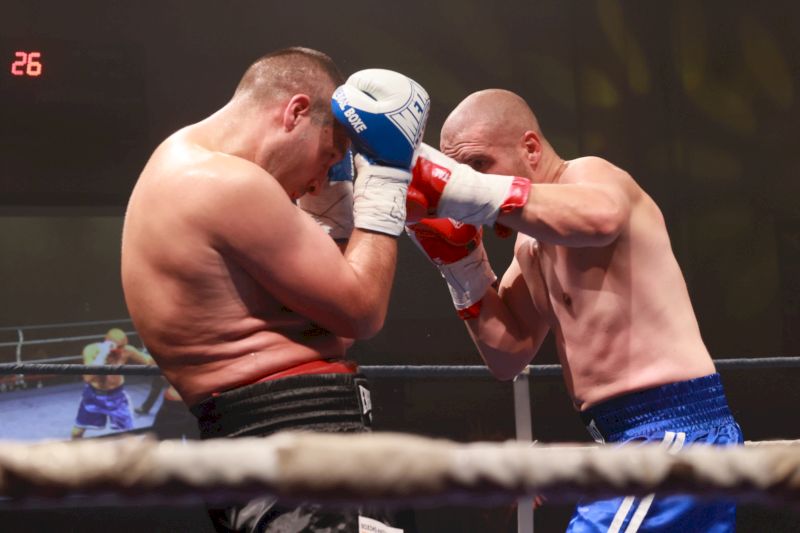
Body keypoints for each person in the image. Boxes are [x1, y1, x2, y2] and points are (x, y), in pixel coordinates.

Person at [405, 89, 743, 532]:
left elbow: (601, 218)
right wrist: (460, 266)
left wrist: (468, 189)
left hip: (671, 427)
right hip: (624, 436)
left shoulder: (588, 175)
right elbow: (508, 354)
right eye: (460, 174)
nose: (468, 185)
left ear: (530, 148)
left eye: (479, 165)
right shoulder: (529, 245)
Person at [121, 46, 428, 532]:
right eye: (329, 155)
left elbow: (335, 329)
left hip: (283, 454)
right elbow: (363, 311)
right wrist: (387, 180)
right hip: (297, 459)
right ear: (296, 112)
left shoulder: (184, 166)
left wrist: (335, 209)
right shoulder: (224, 183)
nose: (319, 182)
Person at [71, 328, 153, 439]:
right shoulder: (91, 350)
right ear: (107, 342)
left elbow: (148, 361)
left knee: (129, 434)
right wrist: (102, 355)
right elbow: (88, 378)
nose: (121, 350)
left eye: (123, 346)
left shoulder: (127, 350)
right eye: (118, 347)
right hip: (93, 396)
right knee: (76, 433)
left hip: (117, 397)